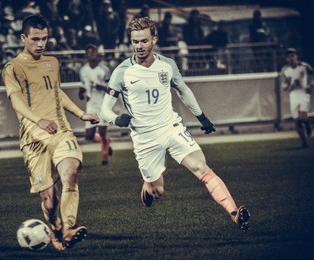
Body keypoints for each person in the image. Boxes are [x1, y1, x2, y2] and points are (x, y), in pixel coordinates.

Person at [100, 17, 250, 232]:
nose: (139, 46)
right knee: (158, 190)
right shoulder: (122, 72)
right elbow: (104, 109)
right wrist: (116, 119)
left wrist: (201, 116)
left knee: (202, 168)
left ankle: (236, 215)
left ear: (154, 39)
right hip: (145, 138)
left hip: (171, 126)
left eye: (144, 41)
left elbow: (183, 90)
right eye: (135, 42)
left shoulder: (167, 65)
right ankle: (148, 185)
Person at [1, 14, 99, 251]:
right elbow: (17, 103)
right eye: (35, 39)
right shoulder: (13, 68)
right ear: (23, 37)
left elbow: (56, 93)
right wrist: (38, 120)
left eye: (44, 38)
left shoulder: (52, 63)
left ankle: (68, 229)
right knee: (49, 199)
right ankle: (54, 231)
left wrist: (80, 114)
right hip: (33, 139)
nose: (40, 44)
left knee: (71, 171)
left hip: (60, 130)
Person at [79, 44, 113, 165]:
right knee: (89, 135)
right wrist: (81, 92)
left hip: (102, 104)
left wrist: (102, 87)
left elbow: (112, 88)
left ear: (97, 54)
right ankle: (107, 142)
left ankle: (105, 157)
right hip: (91, 105)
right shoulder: (83, 70)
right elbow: (83, 86)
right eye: (88, 53)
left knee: (103, 132)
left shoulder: (104, 69)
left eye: (92, 52)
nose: (90, 55)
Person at [281, 48, 313, 148]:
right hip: (293, 95)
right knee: (297, 120)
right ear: (286, 58)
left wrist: (311, 86)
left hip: (303, 93)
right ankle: (304, 142)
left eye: (292, 55)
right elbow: (284, 87)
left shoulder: (304, 66)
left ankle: (307, 123)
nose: (290, 58)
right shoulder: (284, 70)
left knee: (303, 117)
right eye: (288, 56)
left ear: (296, 56)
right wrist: (288, 84)